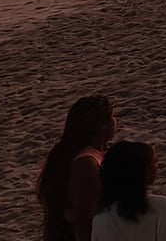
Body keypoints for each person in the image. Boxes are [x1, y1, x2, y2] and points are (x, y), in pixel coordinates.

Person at [38, 94, 115, 241]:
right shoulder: (86, 162)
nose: (115, 122)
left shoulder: (94, 154)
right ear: (102, 125)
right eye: (112, 117)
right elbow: (84, 221)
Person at [90, 141, 166, 241]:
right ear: (142, 171)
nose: (156, 167)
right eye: (153, 162)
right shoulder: (163, 207)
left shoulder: (100, 218)